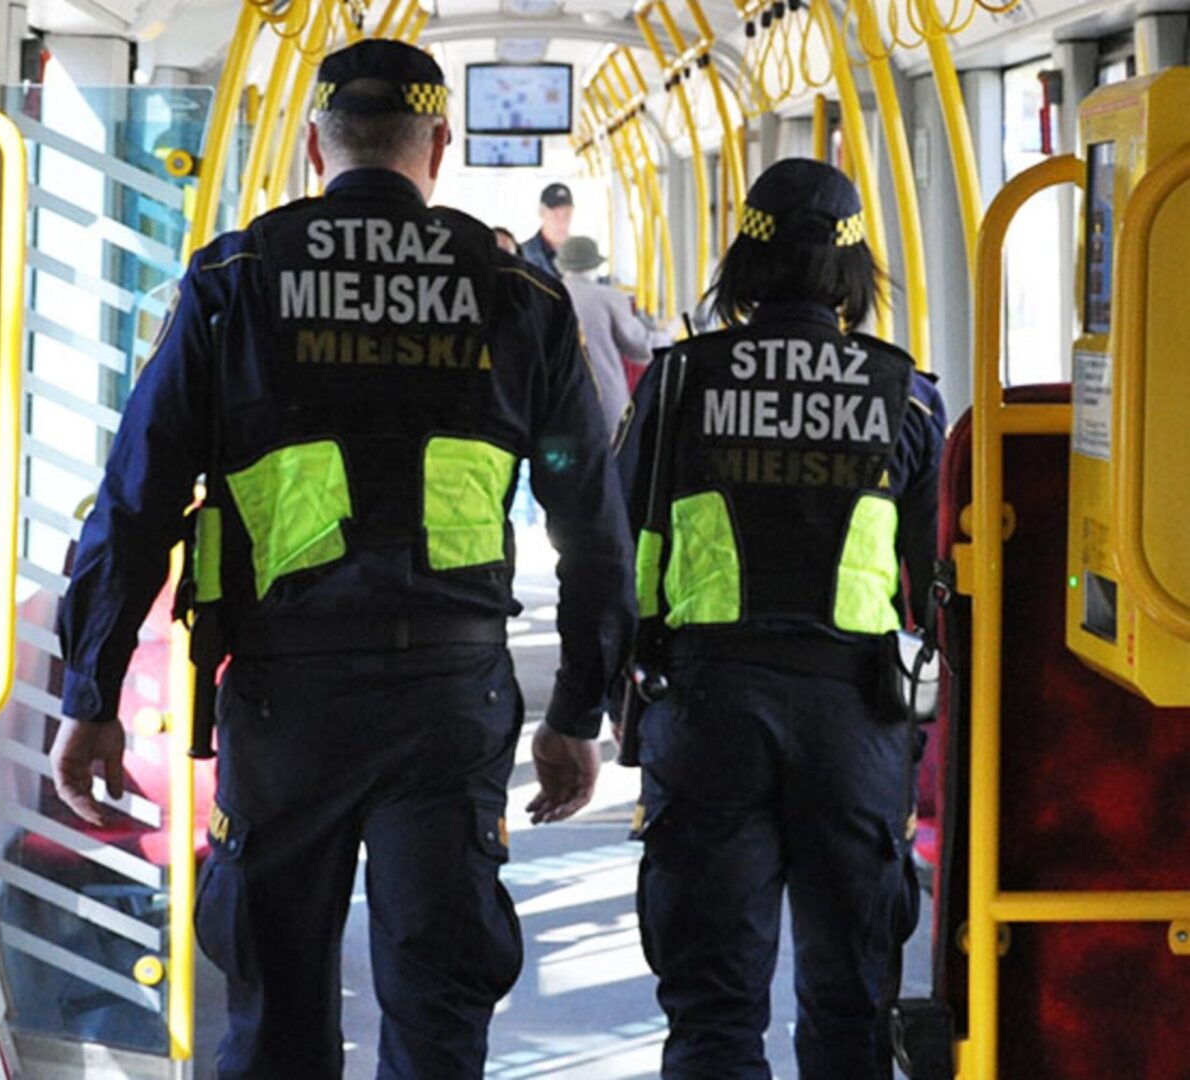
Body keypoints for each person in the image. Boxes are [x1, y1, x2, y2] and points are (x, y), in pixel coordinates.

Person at [49, 39, 635, 1080]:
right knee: (438, 1006)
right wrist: (579, 714)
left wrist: (90, 692)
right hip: (450, 699)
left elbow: (136, 500)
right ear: (440, 146)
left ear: (316, 145)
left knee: (273, 1012)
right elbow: (591, 526)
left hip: (284, 699)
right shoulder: (517, 296)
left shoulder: (235, 280)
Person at [616, 158, 946, 1080]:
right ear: (853, 270)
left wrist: (616, 702)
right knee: (849, 1001)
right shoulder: (905, 395)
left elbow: (628, 553)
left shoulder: (680, 383)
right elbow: (933, 586)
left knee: (714, 1006)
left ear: (744, 265)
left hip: (710, 704)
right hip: (857, 717)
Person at [556, 235, 673, 437]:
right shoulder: (608, 297)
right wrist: (668, 333)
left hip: (558, 403)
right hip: (605, 402)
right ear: (595, 265)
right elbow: (639, 346)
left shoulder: (549, 295)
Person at [520, 181, 573, 277]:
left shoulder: (582, 254)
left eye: (567, 214)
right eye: (555, 214)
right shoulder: (523, 254)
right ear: (541, 212)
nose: (561, 221)